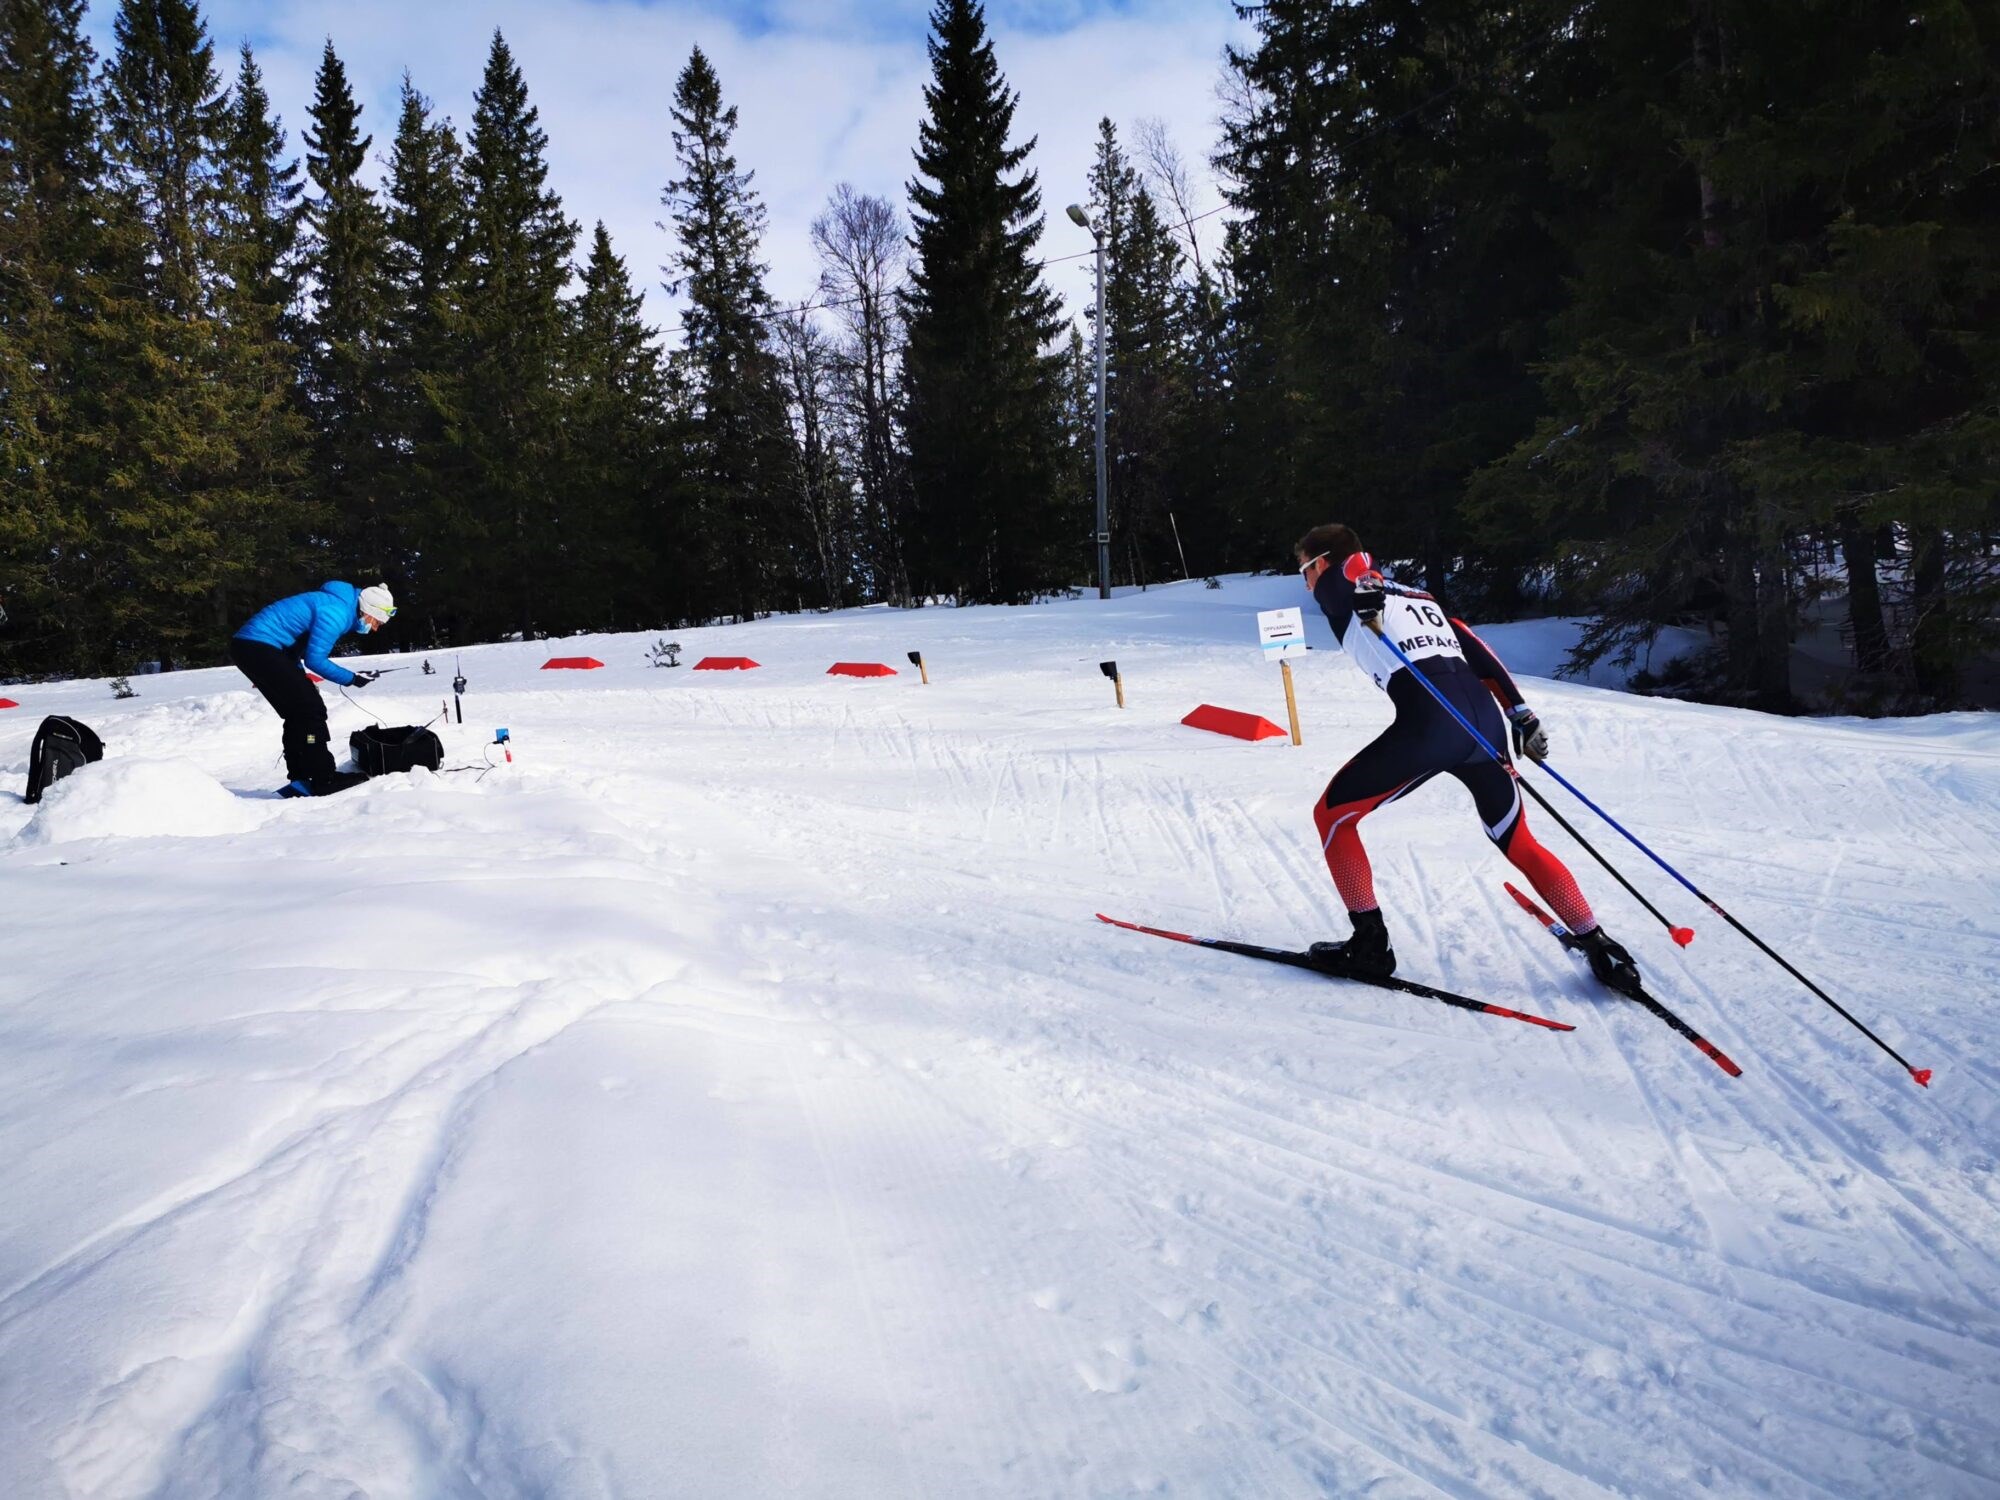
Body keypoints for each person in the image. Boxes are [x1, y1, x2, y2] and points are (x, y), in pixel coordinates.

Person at [1296, 524, 1638, 988]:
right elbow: (1473, 647)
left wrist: (1363, 578)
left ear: (1321, 563)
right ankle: (1598, 943)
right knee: (1519, 840)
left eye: (1305, 570)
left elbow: (1353, 568)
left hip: (1432, 724)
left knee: (1332, 817)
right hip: (1484, 725)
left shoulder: (1346, 586)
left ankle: (1370, 947)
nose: (1307, 583)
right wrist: (1520, 713)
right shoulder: (1421, 597)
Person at [230, 580, 395, 797]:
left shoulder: (338, 606)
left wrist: (299, 677)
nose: (375, 628)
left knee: (298, 712)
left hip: (254, 648)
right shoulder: (336, 612)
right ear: (368, 610)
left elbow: (293, 649)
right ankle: (323, 778)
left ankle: (301, 778)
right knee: (311, 710)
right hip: (259, 648)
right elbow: (315, 659)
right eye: (377, 622)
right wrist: (352, 678)